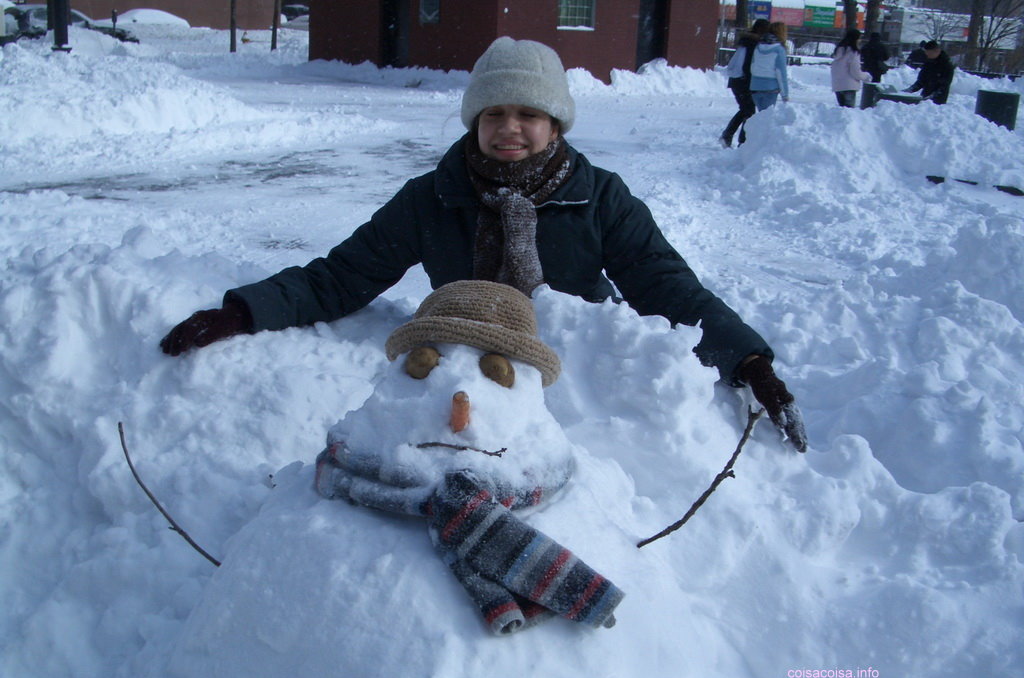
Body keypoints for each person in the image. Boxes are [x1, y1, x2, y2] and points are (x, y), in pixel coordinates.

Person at [160, 37, 808, 452]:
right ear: (476, 120)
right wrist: (244, 311)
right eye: (494, 113)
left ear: (555, 125)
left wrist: (746, 358)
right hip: (466, 364)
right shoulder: (434, 195)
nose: (510, 129)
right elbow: (343, 274)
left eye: (528, 114)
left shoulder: (600, 196)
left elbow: (664, 284)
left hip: (572, 375)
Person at [719, 18, 770, 148]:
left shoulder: (747, 42)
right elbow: (748, 66)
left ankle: (730, 136)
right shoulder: (753, 44)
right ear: (760, 30)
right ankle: (740, 140)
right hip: (744, 82)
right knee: (748, 111)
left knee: (746, 110)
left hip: (737, 81)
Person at [749, 22, 790, 111]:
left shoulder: (758, 47)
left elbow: (752, 66)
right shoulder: (779, 49)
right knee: (766, 118)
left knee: (760, 115)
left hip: (755, 87)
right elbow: (781, 73)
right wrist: (785, 95)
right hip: (770, 88)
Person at [830, 29, 871, 108]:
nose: (860, 40)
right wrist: (866, 76)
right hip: (849, 86)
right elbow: (855, 72)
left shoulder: (838, 51)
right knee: (849, 111)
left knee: (841, 111)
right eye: (859, 38)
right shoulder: (853, 53)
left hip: (837, 85)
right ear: (855, 39)